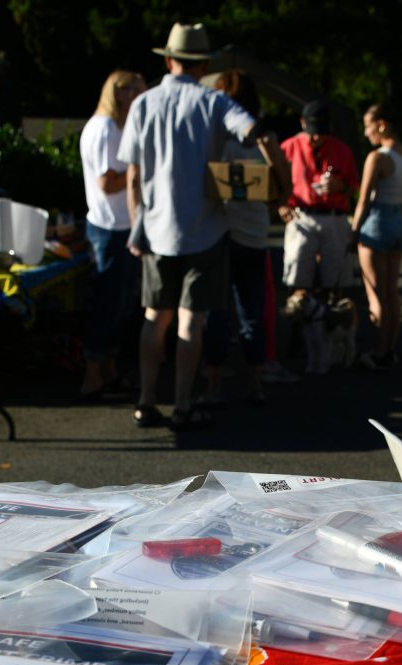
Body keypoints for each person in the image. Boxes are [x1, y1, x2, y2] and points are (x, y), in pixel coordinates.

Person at [117, 22, 258, 430]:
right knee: (190, 319)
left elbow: (132, 174)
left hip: (157, 227)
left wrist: (135, 225)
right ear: (203, 63)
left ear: (168, 58)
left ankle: (145, 400)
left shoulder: (144, 104)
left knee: (153, 316)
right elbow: (248, 128)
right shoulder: (213, 101)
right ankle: (181, 403)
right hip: (205, 227)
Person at [201, 71, 292, 408]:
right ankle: (255, 382)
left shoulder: (217, 140)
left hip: (221, 236)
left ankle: (213, 383)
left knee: (219, 312)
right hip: (253, 236)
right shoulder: (265, 140)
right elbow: (284, 193)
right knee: (251, 310)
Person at [78, 70, 146, 400]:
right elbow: (107, 183)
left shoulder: (112, 127)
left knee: (118, 304)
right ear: (117, 94)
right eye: (132, 90)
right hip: (111, 227)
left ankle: (108, 371)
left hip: (116, 225)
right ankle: (93, 376)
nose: (138, 96)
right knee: (108, 303)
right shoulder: (106, 128)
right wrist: (141, 172)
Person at [279, 100, 359, 373]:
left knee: (333, 277)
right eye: (312, 131)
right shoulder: (288, 147)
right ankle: (297, 333)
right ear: (302, 124)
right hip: (302, 215)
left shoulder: (341, 150)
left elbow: (355, 186)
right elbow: (273, 181)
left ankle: (328, 332)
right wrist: (281, 205)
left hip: (334, 215)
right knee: (297, 274)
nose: (316, 138)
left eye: (321, 132)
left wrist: (341, 186)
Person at [350, 103, 402, 367]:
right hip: (399, 221)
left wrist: (353, 232)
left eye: (368, 126)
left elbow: (364, 200)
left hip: (377, 224)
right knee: (392, 292)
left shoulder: (378, 157)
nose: (366, 133)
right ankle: (389, 349)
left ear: (381, 124)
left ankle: (378, 351)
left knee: (376, 294)